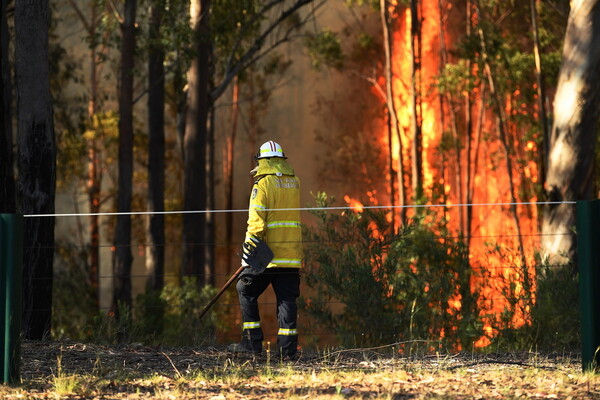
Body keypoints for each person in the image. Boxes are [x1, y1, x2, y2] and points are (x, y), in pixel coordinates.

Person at [228, 140, 303, 360]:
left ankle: (252, 344)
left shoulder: (261, 186)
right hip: (290, 256)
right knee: (287, 301)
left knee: (245, 289)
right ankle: (287, 352)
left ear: (263, 161)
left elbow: (256, 223)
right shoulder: (294, 182)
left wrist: (247, 255)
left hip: (266, 257)